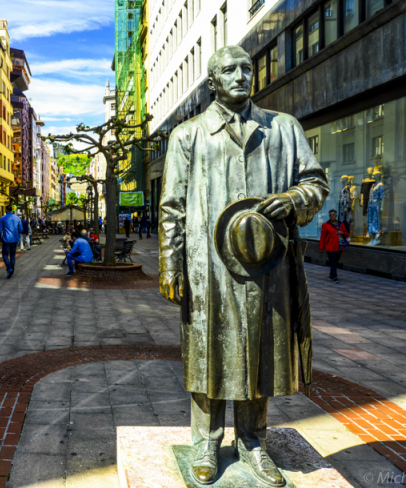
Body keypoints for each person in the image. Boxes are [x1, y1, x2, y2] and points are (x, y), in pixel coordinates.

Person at [159, 45, 329, 485]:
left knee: (260, 354)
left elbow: (315, 182)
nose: (241, 75)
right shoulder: (188, 135)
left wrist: (294, 199)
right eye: (229, 69)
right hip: (207, 266)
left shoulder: (283, 128)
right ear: (212, 81)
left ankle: (254, 444)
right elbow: (172, 207)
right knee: (207, 354)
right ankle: (206, 442)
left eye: (246, 67)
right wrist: (169, 264)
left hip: (266, 266)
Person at [319, 210, 349, 283]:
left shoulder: (341, 224)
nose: (332, 216)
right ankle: (335, 277)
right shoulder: (326, 225)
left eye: (333, 215)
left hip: (339, 245)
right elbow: (322, 236)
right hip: (330, 246)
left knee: (335, 261)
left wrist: (342, 232)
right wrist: (321, 247)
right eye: (330, 215)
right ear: (329, 216)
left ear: (336, 216)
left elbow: (347, 234)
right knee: (333, 260)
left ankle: (331, 275)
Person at [0, 207, 22, 278]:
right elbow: (21, 229)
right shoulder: (17, 218)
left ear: (6, 210)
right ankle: (12, 272)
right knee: (12, 255)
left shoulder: (3, 218)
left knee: (5, 255)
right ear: (12, 210)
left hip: (6, 239)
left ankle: (9, 268)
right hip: (15, 239)